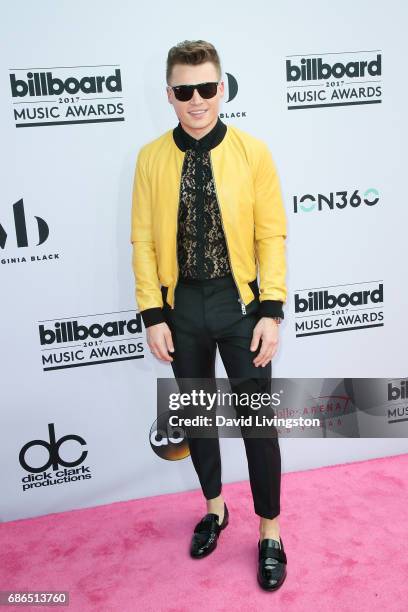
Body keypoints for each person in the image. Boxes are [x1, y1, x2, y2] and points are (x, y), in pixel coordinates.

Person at [130, 39, 288, 591]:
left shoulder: (253, 152)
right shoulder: (150, 158)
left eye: (206, 88)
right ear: (169, 95)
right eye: (184, 90)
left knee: (257, 424)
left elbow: (271, 234)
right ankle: (216, 508)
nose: (197, 100)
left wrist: (271, 309)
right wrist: (153, 313)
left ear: (222, 89)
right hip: (182, 309)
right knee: (198, 419)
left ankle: (270, 529)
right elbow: (144, 242)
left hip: (239, 304)